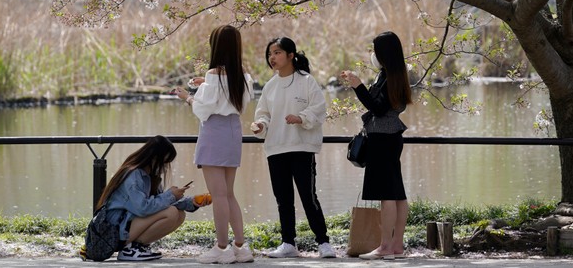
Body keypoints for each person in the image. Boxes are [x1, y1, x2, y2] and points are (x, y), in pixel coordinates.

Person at [250, 37, 337, 259]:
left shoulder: (307, 81)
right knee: (283, 199)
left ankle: (323, 242)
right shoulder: (270, 86)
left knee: (308, 196)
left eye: (277, 52)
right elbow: (263, 114)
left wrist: (301, 117)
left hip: (302, 147)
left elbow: (319, 109)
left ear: (291, 55)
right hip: (276, 148)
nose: (272, 57)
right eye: (270, 53)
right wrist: (260, 125)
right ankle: (288, 243)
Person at [173, 24, 255, 264]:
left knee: (218, 195)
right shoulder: (243, 76)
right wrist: (204, 85)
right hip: (233, 132)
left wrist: (187, 96)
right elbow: (228, 98)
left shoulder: (213, 75)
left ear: (215, 46)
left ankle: (221, 248)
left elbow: (203, 109)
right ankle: (240, 247)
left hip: (214, 133)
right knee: (228, 194)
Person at [340, 31, 413, 260]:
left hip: (382, 138)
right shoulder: (397, 74)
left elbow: (378, 108)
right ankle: (397, 246)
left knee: (387, 195)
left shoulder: (388, 76)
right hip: (392, 138)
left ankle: (385, 247)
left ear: (383, 53)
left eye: (375, 50)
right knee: (397, 194)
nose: (373, 55)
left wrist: (358, 85)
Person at [95, 135, 205, 262]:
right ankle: (130, 249)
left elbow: (159, 204)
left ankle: (136, 247)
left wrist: (192, 202)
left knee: (179, 215)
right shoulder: (133, 175)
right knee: (172, 213)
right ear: (154, 158)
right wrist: (170, 195)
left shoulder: (150, 176)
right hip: (114, 231)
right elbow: (142, 208)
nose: (164, 168)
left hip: (127, 225)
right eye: (164, 162)